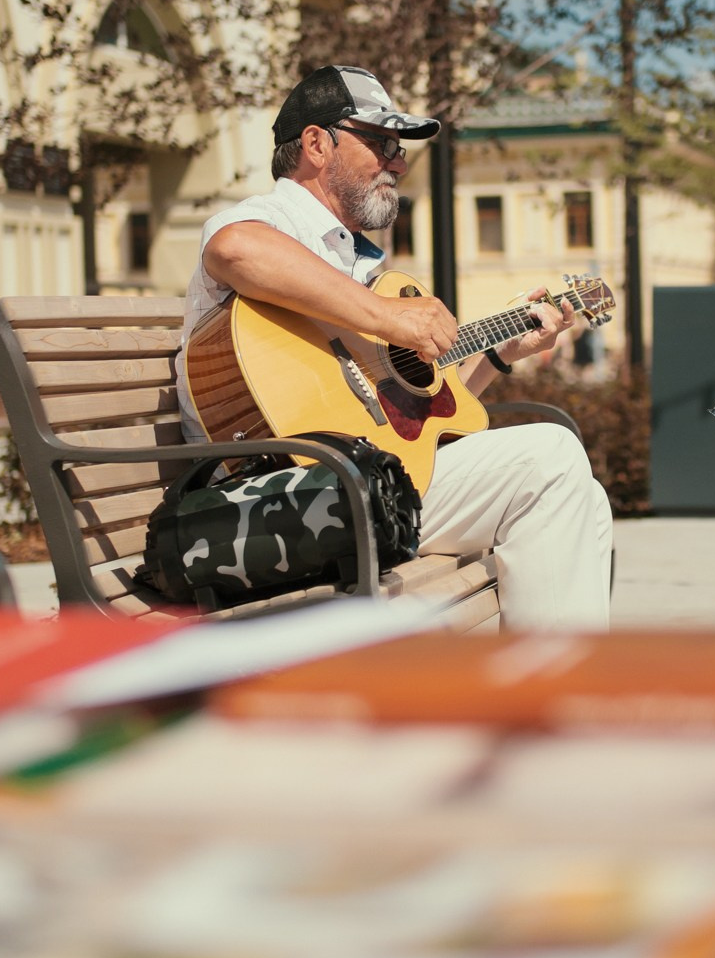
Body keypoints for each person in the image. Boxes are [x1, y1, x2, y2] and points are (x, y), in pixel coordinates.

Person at [184, 66, 609, 630]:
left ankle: (549, 688)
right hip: (273, 494)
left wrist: (501, 353)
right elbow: (234, 249)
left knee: (578, 495)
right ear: (316, 144)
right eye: (383, 143)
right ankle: (550, 694)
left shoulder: (358, 263)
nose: (400, 163)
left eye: (400, 149)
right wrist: (387, 317)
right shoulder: (272, 221)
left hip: (354, 480)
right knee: (550, 461)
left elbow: (420, 417)